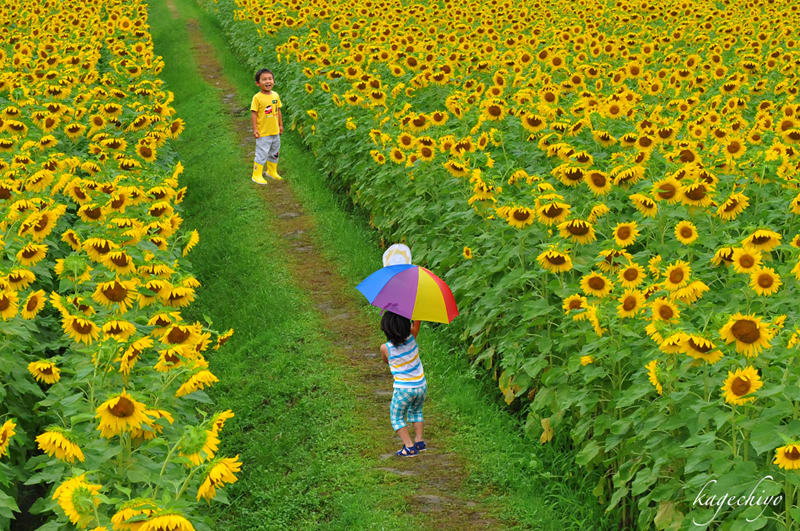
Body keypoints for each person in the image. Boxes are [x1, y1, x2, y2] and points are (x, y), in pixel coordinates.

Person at [379, 311, 427, 457]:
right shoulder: (412, 337)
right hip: (421, 386)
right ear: (407, 326)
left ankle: (409, 446)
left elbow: (386, 360)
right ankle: (419, 441)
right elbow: (416, 323)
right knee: (416, 411)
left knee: (397, 417)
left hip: (403, 389)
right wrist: (417, 310)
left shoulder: (385, 348)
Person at [250, 68, 283, 184]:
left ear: (273, 81)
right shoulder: (257, 98)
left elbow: (278, 111)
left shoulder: (275, 95)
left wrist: (280, 125)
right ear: (258, 83)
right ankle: (256, 174)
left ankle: (271, 171)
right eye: (264, 79)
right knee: (262, 153)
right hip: (263, 132)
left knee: (275, 152)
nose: (268, 81)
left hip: (275, 131)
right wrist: (255, 129)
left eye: (270, 79)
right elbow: (254, 114)